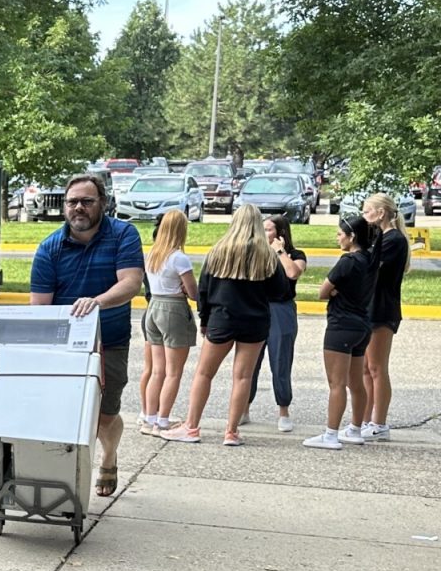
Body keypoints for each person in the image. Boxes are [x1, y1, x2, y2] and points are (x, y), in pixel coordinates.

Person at [29, 172, 145, 496]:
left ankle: (109, 455)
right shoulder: (49, 248)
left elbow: (131, 283)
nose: (78, 208)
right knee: (69, 417)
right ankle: (71, 478)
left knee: (105, 417)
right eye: (72, 202)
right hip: (65, 347)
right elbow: (40, 307)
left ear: (103, 204)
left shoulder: (124, 235)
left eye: (86, 201)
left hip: (111, 341)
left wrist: (96, 303)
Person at [161, 203, 279, 447]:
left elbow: (204, 289)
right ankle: (232, 431)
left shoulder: (219, 251)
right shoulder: (267, 255)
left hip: (222, 318)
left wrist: (204, 318)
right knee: (243, 376)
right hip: (255, 321)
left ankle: (192, 426)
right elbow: (280, 291)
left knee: (204, 373)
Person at [304, 214, 377, 450]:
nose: (338, 238)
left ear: (351, 236)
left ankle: (331, 433)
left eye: (340, 234)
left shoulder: (347, 261)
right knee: (356, 382)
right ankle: (356, 428)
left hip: (341, 326)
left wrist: (335, 292)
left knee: (336, 383)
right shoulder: (371, 260)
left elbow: (323, 291)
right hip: (362, 325)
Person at [137, 209, 199, 435]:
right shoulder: (179, 257)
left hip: (153, 307)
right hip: (173, 308)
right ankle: (163, 420)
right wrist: (189, 288)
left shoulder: (152, 254)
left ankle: (149, 418)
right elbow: (193, 292)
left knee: (157, 370)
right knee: (174, 372)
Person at [245, 216, 308, 432]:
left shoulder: (295, 255)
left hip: (281, 309)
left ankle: (283, 410)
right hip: (257, 308)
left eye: (268, 229)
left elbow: (293, 273)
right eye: (262, 229)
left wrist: (280, 251)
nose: (263, 233)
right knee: (249, 362)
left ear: (280, 232)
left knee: (280, 360)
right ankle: (244, 408)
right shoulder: (256, 253)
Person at [360, 192, 410, 437]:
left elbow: (370, 267)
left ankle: (379, 423)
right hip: (369, 306)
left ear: (380, 212)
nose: (364, 214)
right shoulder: (380, 238)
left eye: (367, 210)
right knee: (366, 368)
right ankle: (367, 419)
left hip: (382, 308)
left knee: (377, 367)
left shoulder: (394, 240)